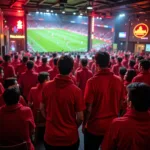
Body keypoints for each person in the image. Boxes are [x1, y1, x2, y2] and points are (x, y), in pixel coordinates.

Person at [40, 55, 85, 150]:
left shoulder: (46, 87)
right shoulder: (76, 91)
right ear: (72, 69)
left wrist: (49, 118)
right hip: (69, 138)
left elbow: (41, 108)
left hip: (51, 136)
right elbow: (80, 117)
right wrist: (73, 127)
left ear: (57, 67)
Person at [83, 51, 124, 150]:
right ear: (109, 64)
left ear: (96, 64)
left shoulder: (92, 82)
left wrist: (84, 124)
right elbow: (122, 103)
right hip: (112, 126)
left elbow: (88, 108)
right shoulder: (118, 80)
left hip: (94, 127)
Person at [102, 83, 150, 150]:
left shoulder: (118, 124)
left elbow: (106, 147)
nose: (125, 98)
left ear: (130, 103)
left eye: (127, 96)